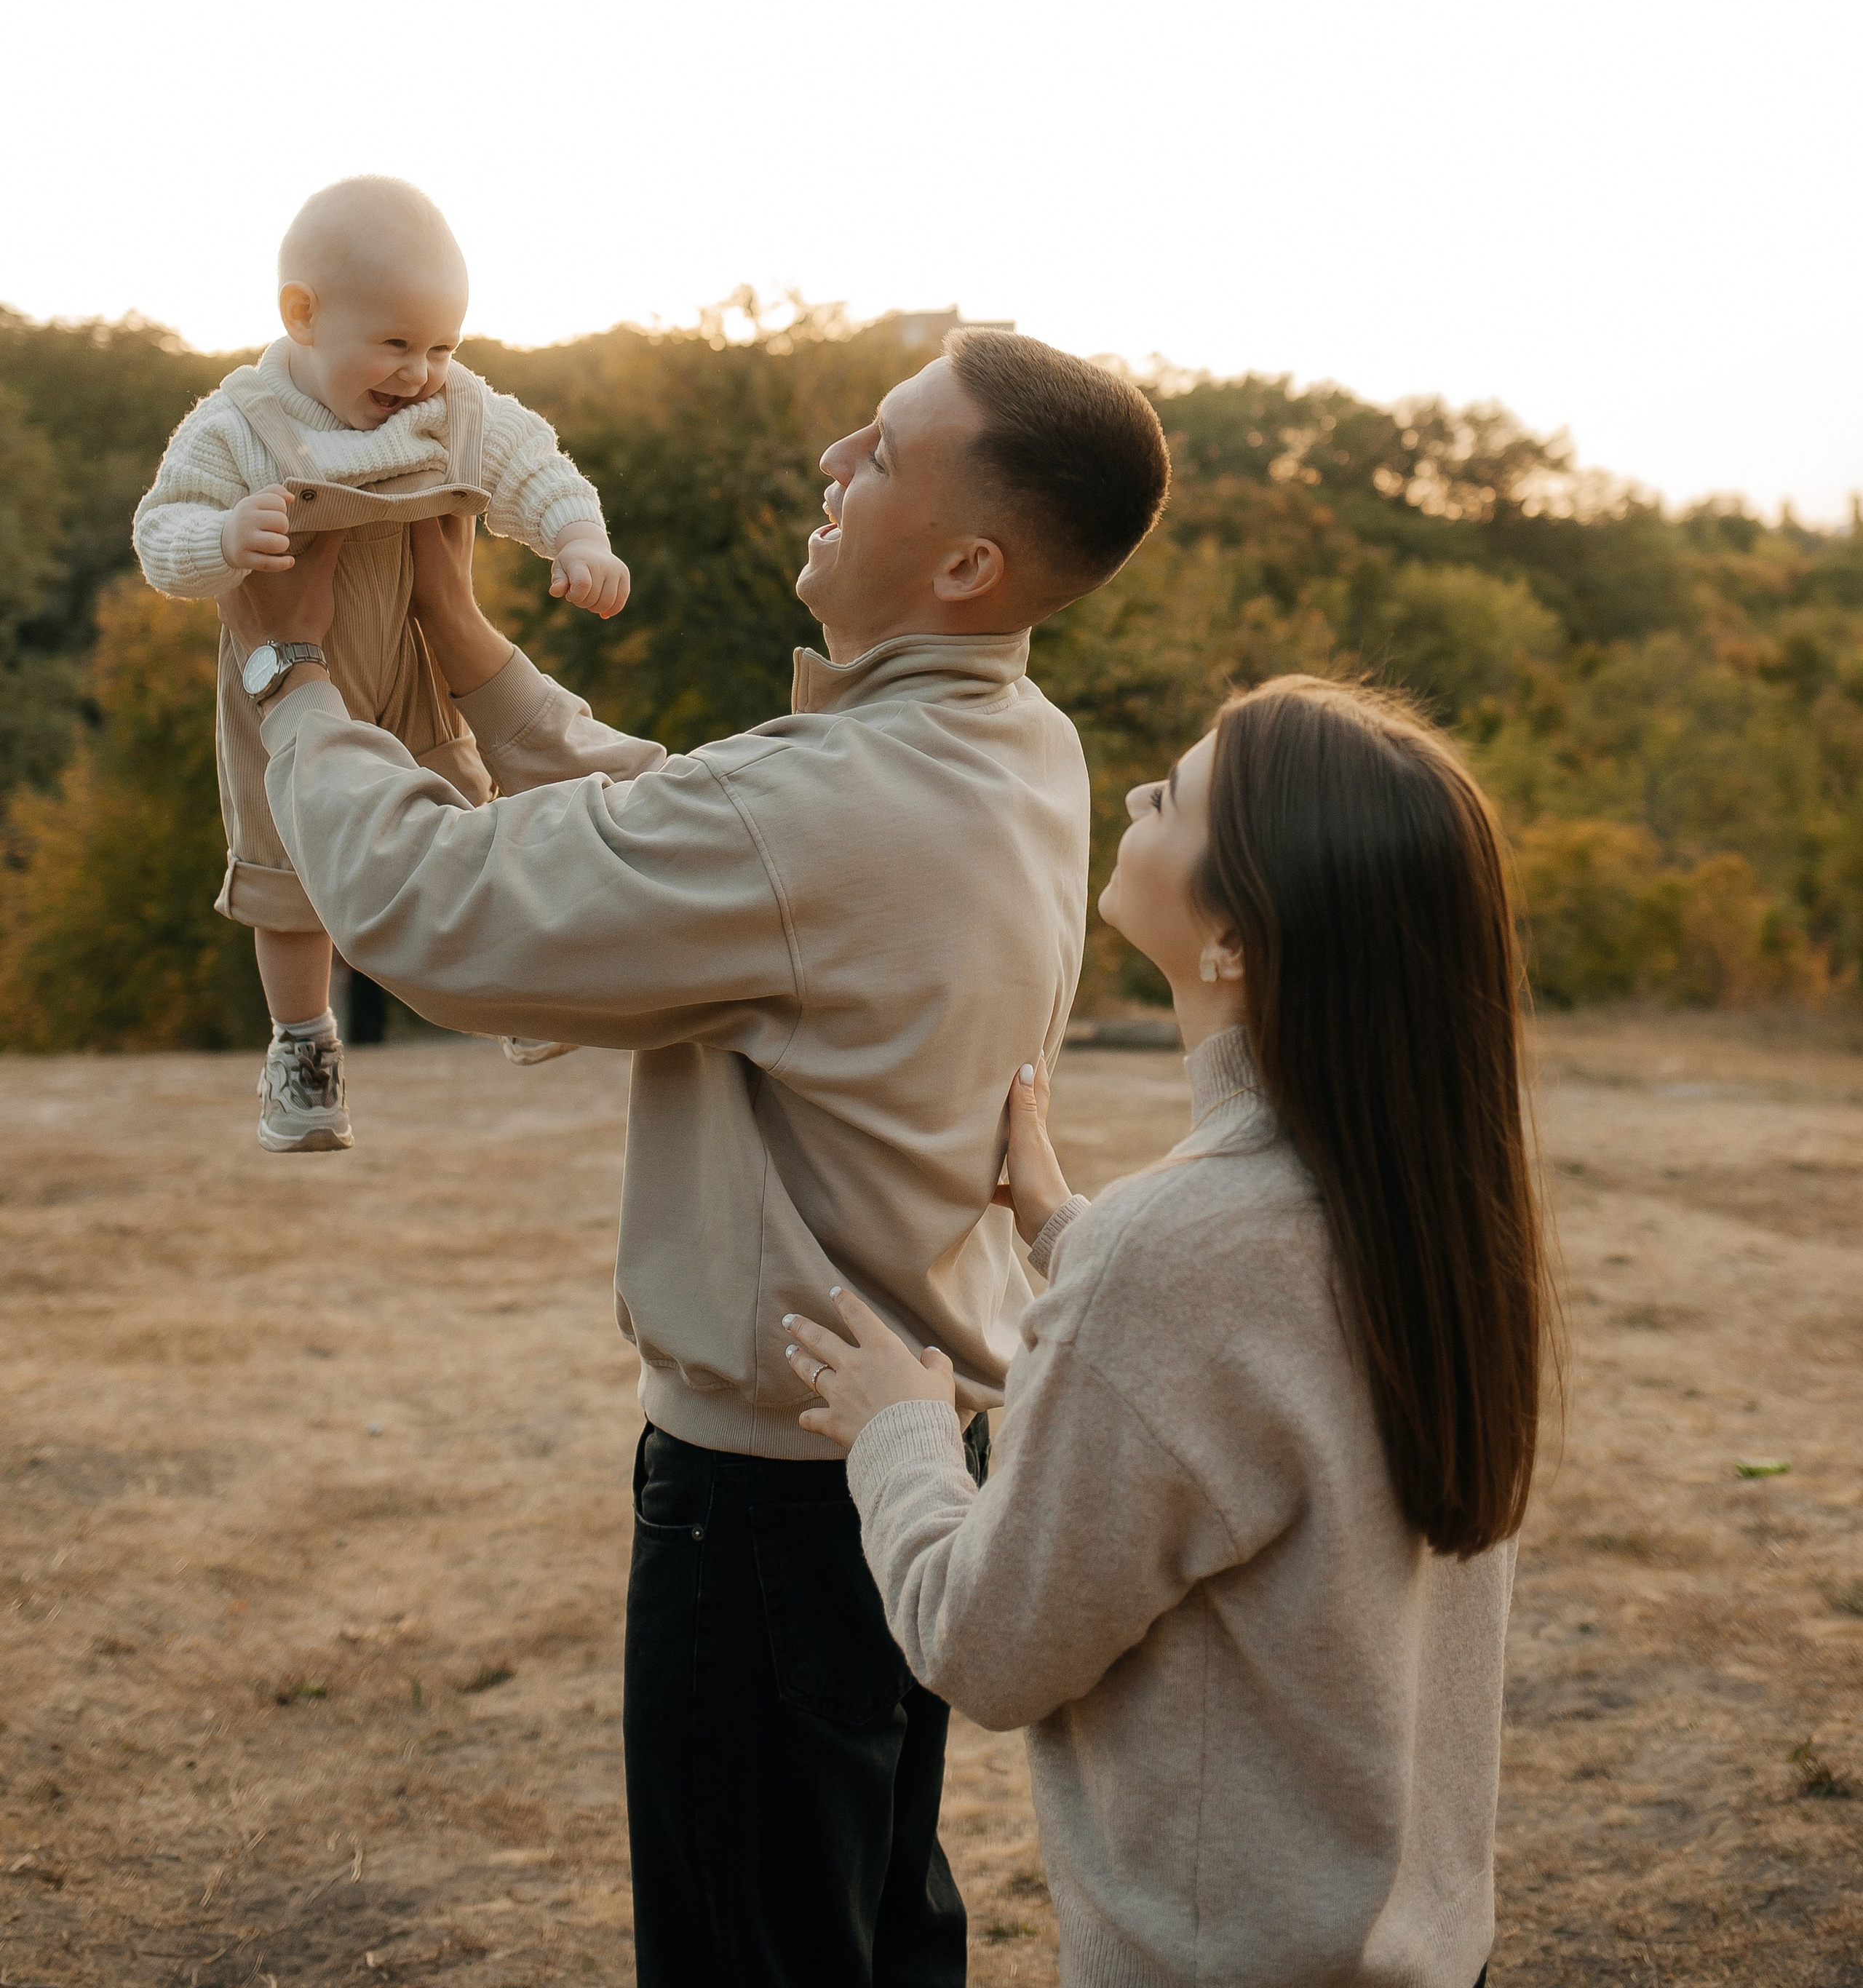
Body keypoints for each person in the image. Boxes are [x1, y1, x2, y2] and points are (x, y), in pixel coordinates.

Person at [218, 327, 1172, 1988]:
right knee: (869, 1942)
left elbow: (436, 909)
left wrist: (289, 680)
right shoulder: (1017, 745)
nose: (831, 462)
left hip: (764, 1513)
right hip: (896, 1471)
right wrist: (467, 645)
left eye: (880, 448)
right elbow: (702, 830)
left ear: (964, 557)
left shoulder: (831, 808)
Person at [781, 676, 1556, 1988]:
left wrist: (903, 1440)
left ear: (1237, 944)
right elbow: (1261, 1354)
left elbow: (986, 1648)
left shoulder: (1186, 1250)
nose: (1140, 795)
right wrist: (1062, 1226)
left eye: (1179, 797)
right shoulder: (1427, 1208)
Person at [132, 177, 627, 1152]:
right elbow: (162, 537)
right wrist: (229, 535)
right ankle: (303, 1046)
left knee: (468, 829)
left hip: (409, 671)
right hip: (277, 687)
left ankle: (516, 985)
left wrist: (578, 538)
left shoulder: (453, 412)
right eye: (397, 345)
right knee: (289, 877)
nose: (423, 373)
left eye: (442, 346)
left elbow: (536, 467)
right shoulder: (238, 428)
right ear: (302, 318)